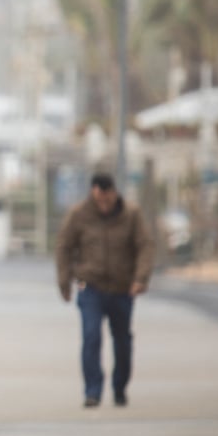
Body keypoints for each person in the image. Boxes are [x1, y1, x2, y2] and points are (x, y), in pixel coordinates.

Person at [55, 172, 155, 408]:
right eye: (99, 199)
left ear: (113, 192)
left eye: (107, 199)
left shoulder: (131, 214)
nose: (104, 204)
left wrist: (140, 278)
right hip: (88, 285)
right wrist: (64, 281)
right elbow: (63, 247)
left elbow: (145, 246)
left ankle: (119, 387)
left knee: (122, 341)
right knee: (91, 337)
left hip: (123, 287)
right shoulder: (79, 214)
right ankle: (93, 391)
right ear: (93, 192)